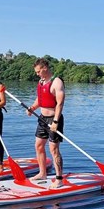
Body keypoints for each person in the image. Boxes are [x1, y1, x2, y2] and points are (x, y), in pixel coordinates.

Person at [27, 58, 65, 188]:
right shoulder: (41, 81)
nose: (37, 74)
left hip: (54, 119)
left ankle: (59, 179)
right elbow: (41, 98)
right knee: (38, 145)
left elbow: (60, 103)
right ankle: (42, 173)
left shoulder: (57, 82)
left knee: (53, 149)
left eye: (38, 71)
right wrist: (32, 108)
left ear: (45, 68)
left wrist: (55, 121)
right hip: (42, 118)